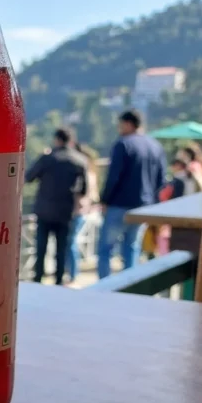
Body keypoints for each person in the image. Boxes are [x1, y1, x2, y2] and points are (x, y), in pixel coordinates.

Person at [97, 110, 167, 279]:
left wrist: (104, 200)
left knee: (106, 248)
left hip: (119, 204)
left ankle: (103, 289)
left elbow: (113, 176)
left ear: (128, 123)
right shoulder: (155, 146)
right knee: (131, 247)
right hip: (143, 206)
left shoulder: (123, 144)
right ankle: (129, 284)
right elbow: (161, 180)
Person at [25, 128, 89, 285]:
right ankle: (59, 280)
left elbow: (29, 176)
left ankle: (38, 279)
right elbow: (84, 189)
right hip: (65, 210)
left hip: (44, 210)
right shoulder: (80, 160)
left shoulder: (48, 158)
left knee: (41, 248)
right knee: (61, 249)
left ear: (57, 140)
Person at [65, 144, 100, 285]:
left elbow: (82, 193)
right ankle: (72, 273)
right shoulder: (91, 173)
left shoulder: (84, 174)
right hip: (83, 211)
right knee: (72, 242)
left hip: (77, 211)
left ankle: (72, 274)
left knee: (71, 242)